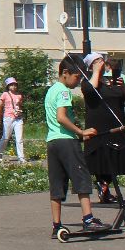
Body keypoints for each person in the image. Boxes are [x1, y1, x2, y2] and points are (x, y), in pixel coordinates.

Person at [45, 54, 104, 235]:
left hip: (52, 142)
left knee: (57, 185)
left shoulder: (51, 90)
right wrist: (81, 132)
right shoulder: (63, 91)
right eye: (77, 77)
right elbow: (61, 117)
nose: (78, 81)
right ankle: (88, 219)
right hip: (66, 142)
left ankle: (57, 225)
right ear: (65, 73)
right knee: (81, 178)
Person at [80, 53, 125, 204]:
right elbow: (91, 90)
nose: (101, 62)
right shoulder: (87, 81)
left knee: (115, 158)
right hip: (99, 127)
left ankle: (104, 186)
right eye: (97, 61)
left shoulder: (112, 80)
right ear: (91, 65)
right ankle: (103, 186)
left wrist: (123, 86)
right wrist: (96, 72)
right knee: (100, 158)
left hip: (116, 128)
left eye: (101, 59)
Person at [0, 77, 25, 163]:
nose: (14, 86)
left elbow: (20, 105)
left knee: (20, 139)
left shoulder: (19, 95)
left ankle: (21, 158)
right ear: (8, 86)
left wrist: (20, 110)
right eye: (11, 85)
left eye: (15, 84)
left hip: (18, 118)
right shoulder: (5, 94)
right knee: (6, 137)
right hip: (8, 118)